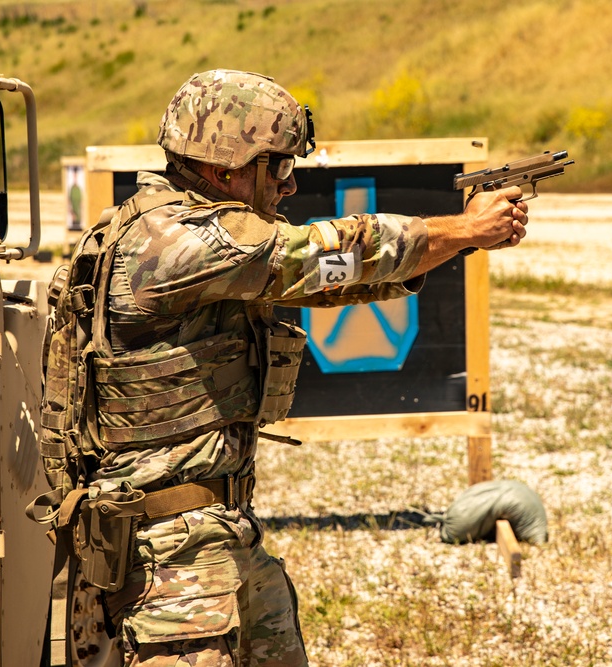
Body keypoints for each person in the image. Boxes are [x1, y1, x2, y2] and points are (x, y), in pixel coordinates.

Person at [89, 69, 529, 666]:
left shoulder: (181, 230)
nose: (290, 186)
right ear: (225, 169)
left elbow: (325, 281)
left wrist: (456, 241)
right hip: (168, 557)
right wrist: (463, 228)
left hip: (214, 532)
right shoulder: (176, 241)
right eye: (279, 167)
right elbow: (318, 254)